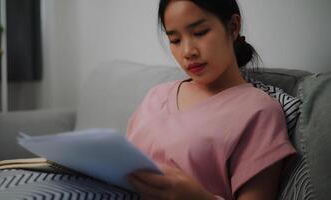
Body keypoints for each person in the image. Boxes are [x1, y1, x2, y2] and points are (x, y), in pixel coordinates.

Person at [126, 0, 297, 199]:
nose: (188, 51)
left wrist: (196, 197)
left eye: (200, 33)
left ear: (233, 27)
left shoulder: (259, 111)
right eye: (175, 40)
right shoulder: (155, 96)